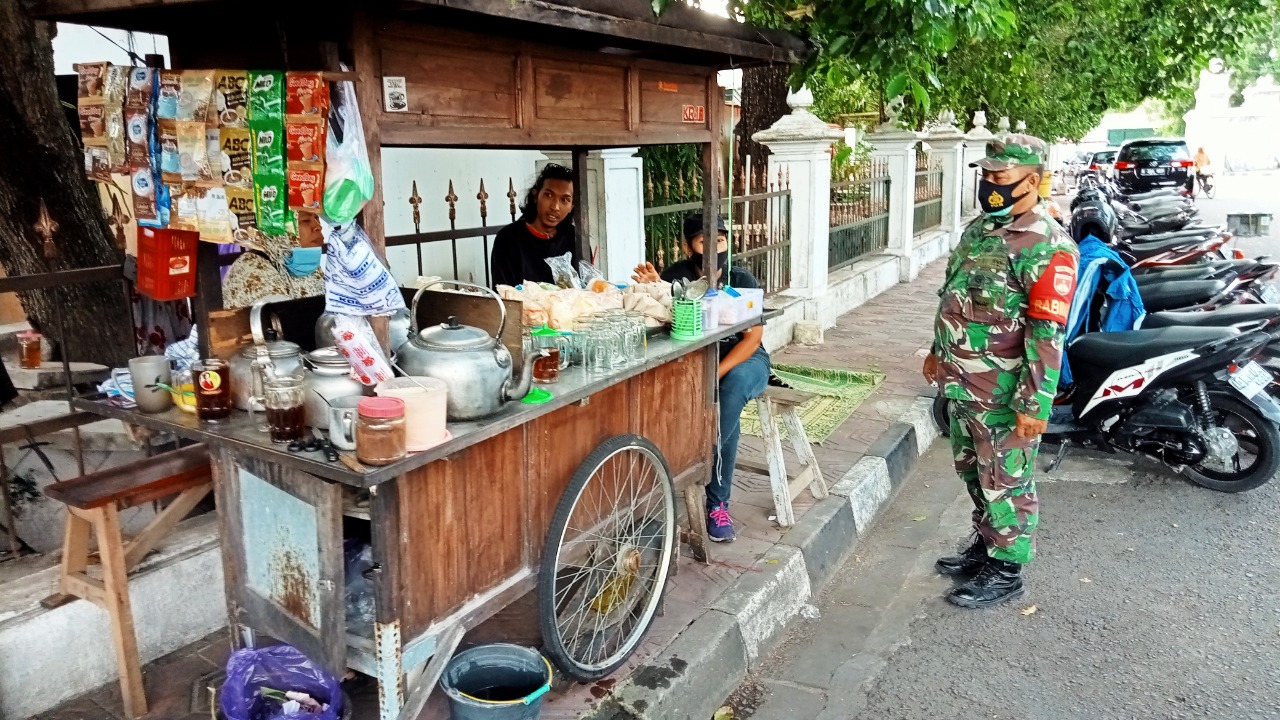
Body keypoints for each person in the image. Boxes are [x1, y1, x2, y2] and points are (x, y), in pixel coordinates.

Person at [923, 135, 1079, 608]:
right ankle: (987, 544)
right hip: (963, 382)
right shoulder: (980, 231)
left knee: (1006, 476)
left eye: (1001, 177)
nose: (990, 184)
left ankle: (1007, 566)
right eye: (986, 175)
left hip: (1006, 390)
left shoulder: (1048, 245)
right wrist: (936, 352)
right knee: (973, 470)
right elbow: (953, 299)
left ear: (1032, 180)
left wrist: (1035, 402)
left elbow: (1046, 333)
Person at [632, 213, 770, 542]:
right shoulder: (677, 277)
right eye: (703, 241)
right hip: (694, 361)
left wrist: (716, 374)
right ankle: (688, 471)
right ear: (688, 246)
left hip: (743, 359)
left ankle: (716, 500)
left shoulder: (742, 280)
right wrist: (658, 288)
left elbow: (752, 339)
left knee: (730, 391)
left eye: (719, 240)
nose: (713, 247)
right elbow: (662, 321)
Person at [490, 164, 579, 288]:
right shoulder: (508, 239)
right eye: (549, 195)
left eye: (565, 200)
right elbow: (504, 293)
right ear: (535, 195)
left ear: (572, 207)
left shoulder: (574, 239)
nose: (555, 207)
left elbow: (584, 292)